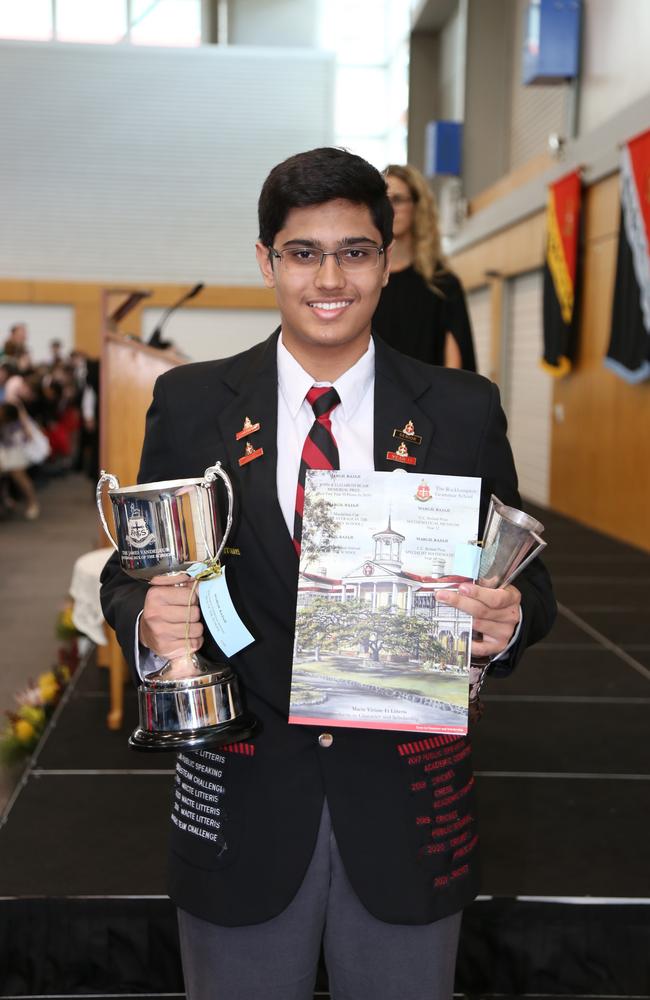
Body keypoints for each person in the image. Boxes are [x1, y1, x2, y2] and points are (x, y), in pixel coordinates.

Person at [100, 147, 555, 1000]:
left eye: (354, 250)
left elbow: (528, 580)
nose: (328, 277)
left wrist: (508, 618)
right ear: (267, 260)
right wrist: (146, 623)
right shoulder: (192, 404)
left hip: (406, 814)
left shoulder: (460, 410)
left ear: (387, 260)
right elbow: (132, 573)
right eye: (303, 252)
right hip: (241, 806)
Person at [373, 163, 477, 372]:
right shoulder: (364, 279)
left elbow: (455, 368)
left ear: (417, 207)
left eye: (398, 200)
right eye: (383, 200)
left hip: (425, 400)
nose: (390, 208)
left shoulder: (443, 283)